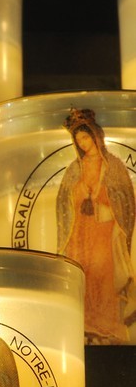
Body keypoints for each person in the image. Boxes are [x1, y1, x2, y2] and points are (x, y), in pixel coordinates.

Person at [56, 106, 136, 345]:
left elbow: (125, 201)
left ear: (96, 136)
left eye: (85, 137)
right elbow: (63, 201)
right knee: (86, 278)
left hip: (104, 232)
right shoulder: (73, 169)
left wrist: (105, 204)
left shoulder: (114, 166)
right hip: (80, 234)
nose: (82, 143)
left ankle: (108, 326)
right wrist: (78, 195)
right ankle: (86, 326)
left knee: (103, 277)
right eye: (78, 139)